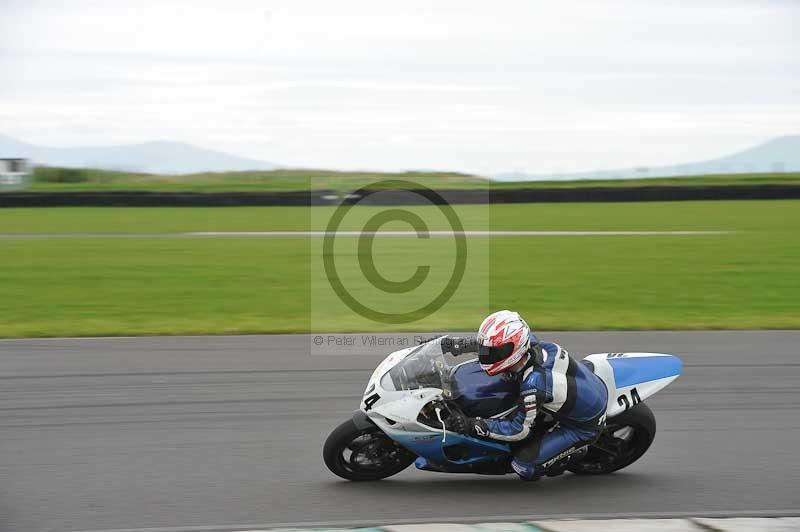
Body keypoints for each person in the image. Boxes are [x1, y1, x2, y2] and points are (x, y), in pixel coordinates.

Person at [445, 310, 609, 481]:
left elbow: (518, 430)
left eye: (494, 352)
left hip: (583, 424)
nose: (487, 355)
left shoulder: (532, 385)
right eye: (487, 350)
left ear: (513, 351)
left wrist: (473, 425)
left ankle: (571, 454)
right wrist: (454, 345)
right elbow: (491, 345)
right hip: (578, 384)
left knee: (524, 466)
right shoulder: (525, 343)